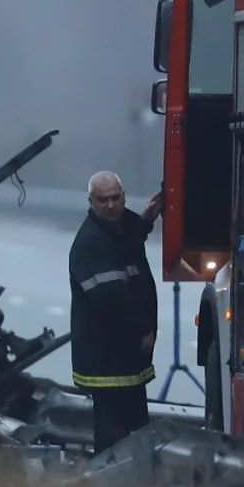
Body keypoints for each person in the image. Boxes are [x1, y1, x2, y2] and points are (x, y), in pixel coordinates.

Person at [68, 171, 163, 454]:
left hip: (126, 358)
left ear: (123, 196)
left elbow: (127, 245)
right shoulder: (90, 243)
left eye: (115, 198)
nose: (111, 205)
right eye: (103, 200)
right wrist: (142, 328)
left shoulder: (117, 232)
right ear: (90, 202)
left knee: (134, 430)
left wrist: (146, 220)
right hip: (107, 359)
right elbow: (111, 296)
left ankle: (133, 484)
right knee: (114, 436)